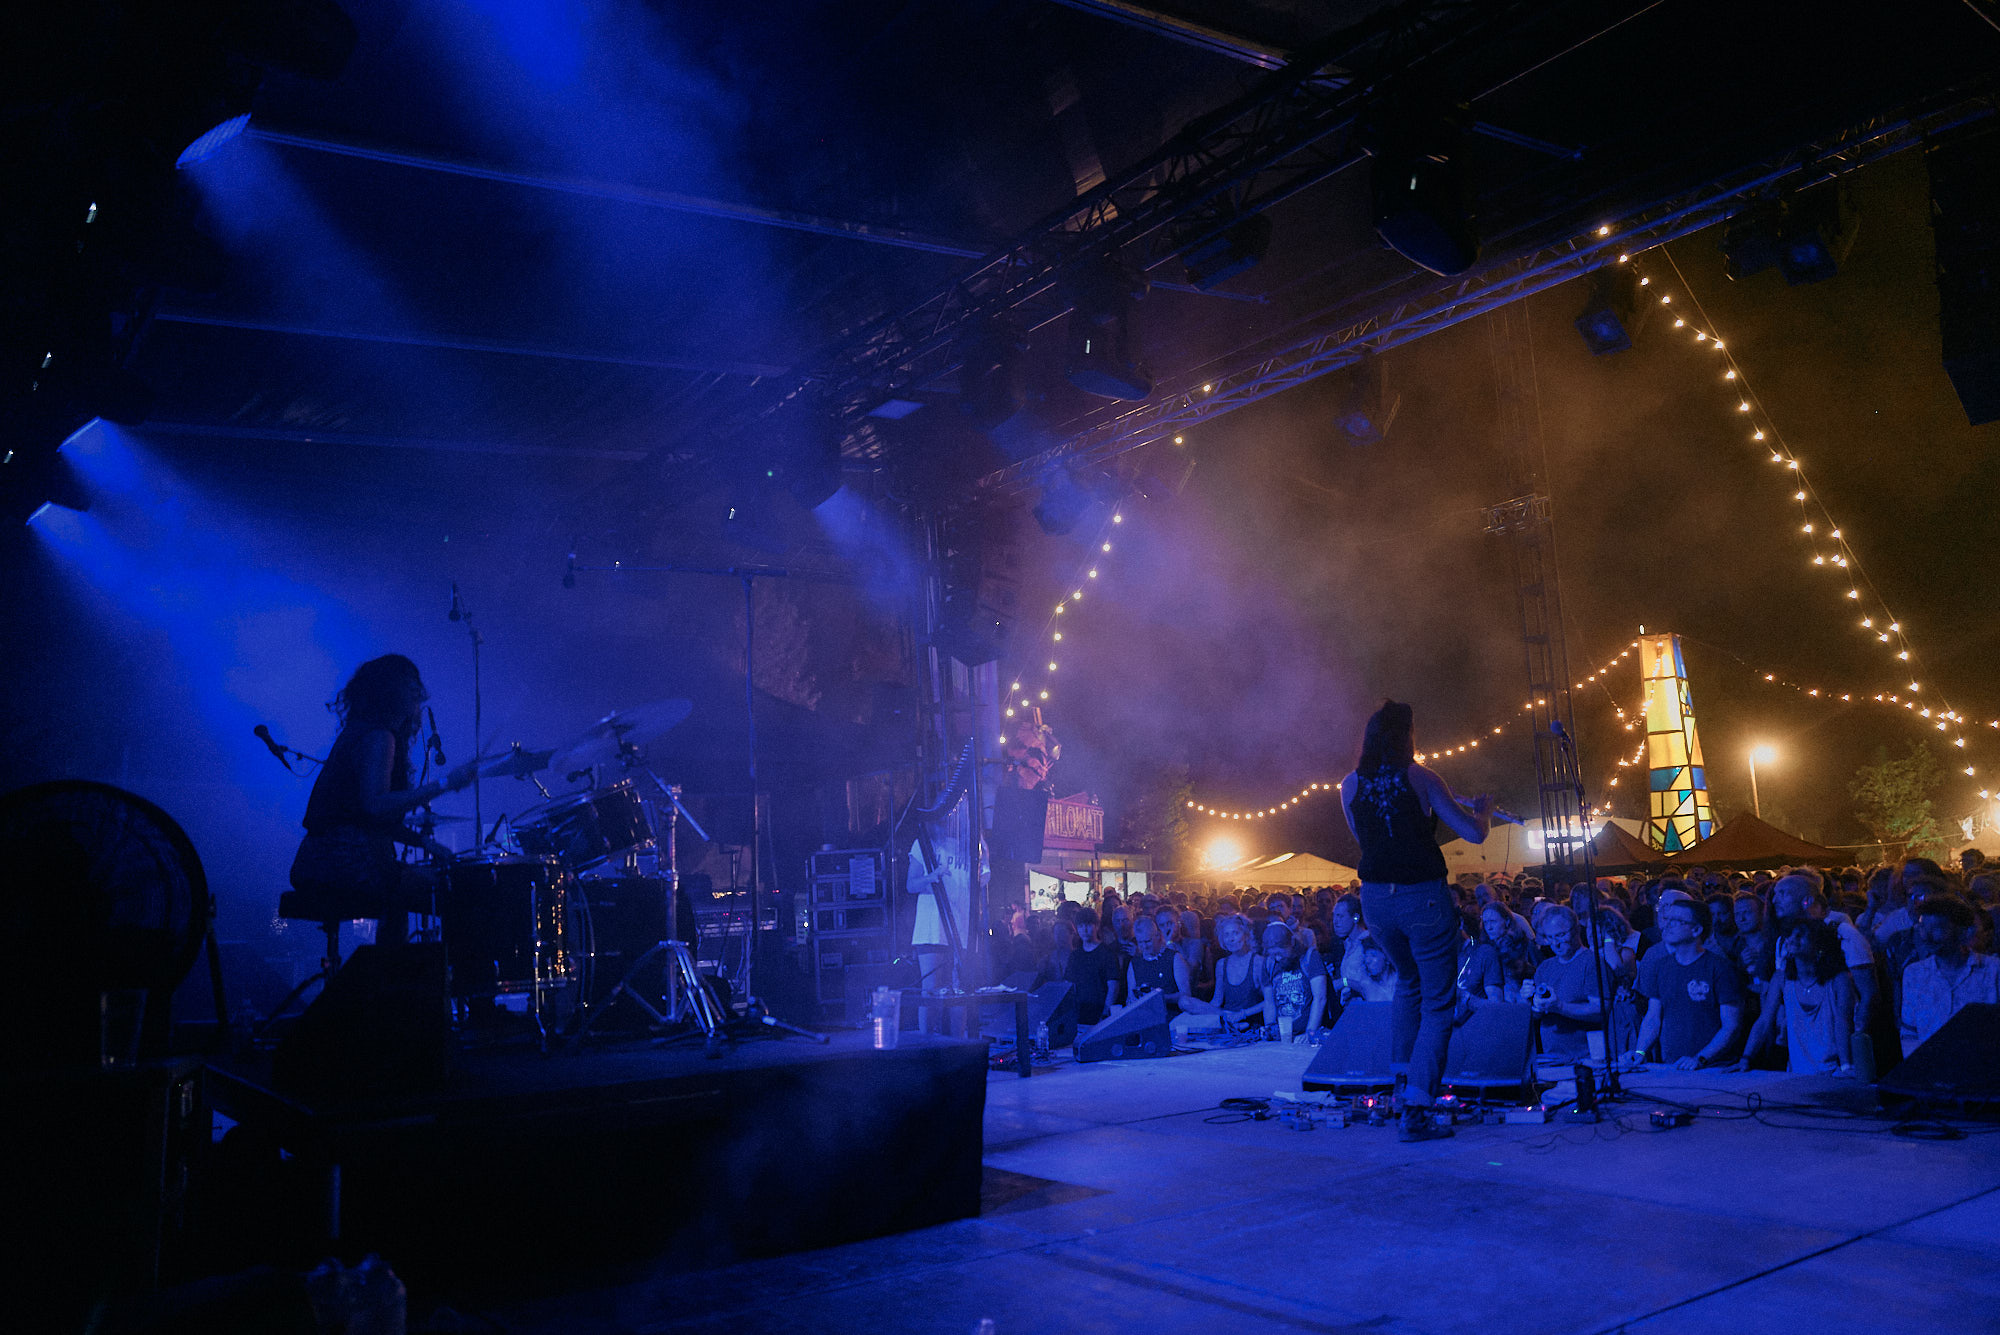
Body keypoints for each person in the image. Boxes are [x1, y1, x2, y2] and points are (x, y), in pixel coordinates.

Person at [1339, 700, 1491, 1142]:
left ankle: (1401, 1084)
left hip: (1375, 901)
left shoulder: (1349, 784)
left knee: (1408, 981)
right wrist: (1482, 809)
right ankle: (1418, 1108)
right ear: (1405, 736)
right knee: (1439, 1001)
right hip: (1421, 897)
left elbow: (1366, 841)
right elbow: (1474, 833)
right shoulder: (1422, 777)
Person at [289, 654, 478, 945]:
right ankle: (426, 969)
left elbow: (361, 815)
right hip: (344, 860)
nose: (417, 693)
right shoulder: (379, 737)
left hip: (318, 859)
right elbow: (375, 806)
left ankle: (391, 965)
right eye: (410, 685)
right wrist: (446, 783)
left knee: (403, 894)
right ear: (390, 691)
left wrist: (422, 842)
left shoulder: (361, 732)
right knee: (458, 893)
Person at [1631, 898, 1745, 1069]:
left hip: (1714, 1067)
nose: (1667, 925)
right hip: (1674, 1065)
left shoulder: (1720, 968)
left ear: (1696, 929)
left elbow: (1731, 1025)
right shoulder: (1661, 967)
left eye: (1676, 921)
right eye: (1667, 919)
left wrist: (1701, 1058)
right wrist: (1639, 1052)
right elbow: (1653, 1017)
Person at [1736, 920, 1857, 1076]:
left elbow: (1843, 1023)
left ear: (1819, 944)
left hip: (1834, 1073)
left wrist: (1846, 1067)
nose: (1792, 939)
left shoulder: (1839, 980)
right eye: (1790, 935)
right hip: (1798, 1075)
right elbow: (1764, 1021)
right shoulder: (1781, 979)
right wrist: (1746, 1058)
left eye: (1800, 935)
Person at [1898, 895, 1999, 1052]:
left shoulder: (1993, 970)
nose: (1926, 936)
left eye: (1937, 928)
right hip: (1931, 1066)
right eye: (1923, 927)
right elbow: (1910, 1034)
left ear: (1962, 932)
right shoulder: (1914, 974)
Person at [1180, 915, 1266, 1031]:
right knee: (1184, 1002)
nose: (1231, 939)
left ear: (1246, 935)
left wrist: (1243, 1014)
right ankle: (1230, 1021)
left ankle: (1232, 1021)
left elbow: (1269, 1001)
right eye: (1226, 935)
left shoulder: (1258, 962)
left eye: (1235, 933)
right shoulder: (1221, 964)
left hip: (1249, 1019)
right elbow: (1217, 1001)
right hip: (1226, 1017)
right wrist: (1199, 1010)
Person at [1260, 922, 1326, 1040]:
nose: (1277, 958)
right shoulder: (1269, 963)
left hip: (1307, 1033)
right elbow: (1269, 1002)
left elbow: (1320, 998)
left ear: (1292, 943)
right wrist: (1270, 1029)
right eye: (1273, 955)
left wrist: (1310, 1033)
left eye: (1280, 953)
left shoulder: (1310, 957)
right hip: (1284, 1035)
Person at [1063, 907, 1121, 1028]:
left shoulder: (1107, 954)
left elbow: (1113, 987)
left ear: (1097, 926)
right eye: (1080, 926)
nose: (1084, 930)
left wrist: (1105, 1015)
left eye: (1088, 925)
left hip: (1100, 1015)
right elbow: (1069, 986)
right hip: (1079, 1015)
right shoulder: (1075, 955)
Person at [1127, 913, 1191, 1013]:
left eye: (1148, 941)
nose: (1144, 946)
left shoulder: (1174, 958)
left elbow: (1186, 994)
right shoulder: (1134, 964)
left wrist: (1161, 997)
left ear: (1157, 936)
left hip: (1172, 1014)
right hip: (1146, 1016)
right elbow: (1130, 997)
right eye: (1140, 942)